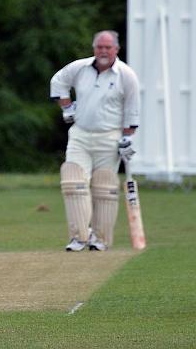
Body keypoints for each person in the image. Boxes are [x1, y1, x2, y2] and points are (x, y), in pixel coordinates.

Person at [50, 30, 140, 252]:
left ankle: (100, 238)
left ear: (116, 50)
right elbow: (58, 81)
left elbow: (132, 110)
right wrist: (67, 106)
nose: (103, 51)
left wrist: (127, 138)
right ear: (94, 48)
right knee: (73, 182)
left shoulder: (126, 75)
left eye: (108, 47)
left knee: (104, 187)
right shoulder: (80, 68)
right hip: (80, 134)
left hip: (109, 137)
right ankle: (79, 237)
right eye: (99, 47)